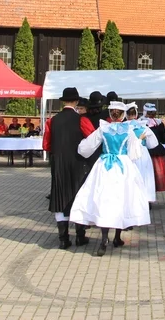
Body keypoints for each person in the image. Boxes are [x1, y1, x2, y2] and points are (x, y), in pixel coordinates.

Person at [71, 101, 151, 257]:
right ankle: (117, 237)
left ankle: (104, 239)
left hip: (104, 166)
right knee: (122, 199)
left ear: (110, 114)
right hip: (123, 166)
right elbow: (135, 152)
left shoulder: (103, 129)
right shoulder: (128, 130)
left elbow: (85, 147)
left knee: (104, 199)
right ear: (123, 115)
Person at [44, 87, 96, 249]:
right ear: (76, 101)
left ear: (63, 101)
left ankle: (63, 239)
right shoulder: (81, 119)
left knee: (60, 197)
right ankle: (80, 236)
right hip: (78, 163)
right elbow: (93, 138)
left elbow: (46, 144)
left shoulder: (52, 120)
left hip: (59, 163)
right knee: (78, 196)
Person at [125, 102, 159, 203]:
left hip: (127, 153)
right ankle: (146, 198)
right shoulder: (143, 127)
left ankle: (130, 199)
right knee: (145, 175)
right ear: (136, 114)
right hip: (142, 152)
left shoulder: (122, 127)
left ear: (126, 115)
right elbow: (153, 144)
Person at [143, 103, 165, 193]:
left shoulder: (141, 123)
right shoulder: (159, 123)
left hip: (145, 152)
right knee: (157, 175)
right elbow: (164, 140)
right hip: (157, 153)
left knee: (146, 175)